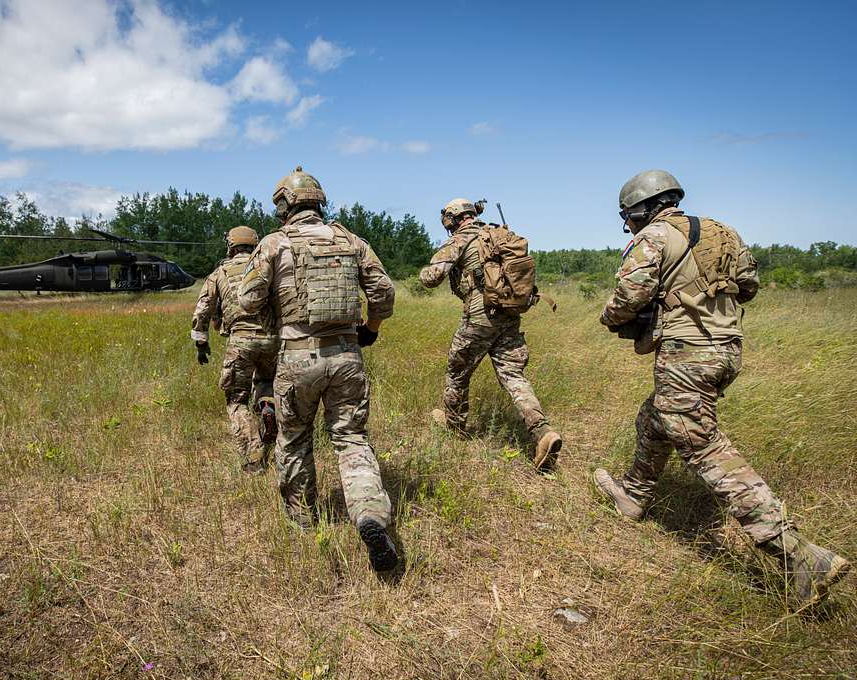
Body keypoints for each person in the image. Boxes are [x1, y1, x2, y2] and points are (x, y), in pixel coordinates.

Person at [594, 169, 850, 607]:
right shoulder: (723, 232)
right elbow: (748, 286)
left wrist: (612, 317)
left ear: (639, 210)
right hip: (727, 349)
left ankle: (800, 556)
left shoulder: (653, 237)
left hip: (688, 352)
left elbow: (627, 298)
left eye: (628, 218)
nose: (630, 226)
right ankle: (633, 495)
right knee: (656, 417)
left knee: (704, 447)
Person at [238, 166, 399, 572]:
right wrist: (370, 329)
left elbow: (247, 300)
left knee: (294, 440)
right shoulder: (351, 241)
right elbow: (384, 291)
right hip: (347, 355)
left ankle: (305, 524)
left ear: (283, 204)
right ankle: (369, 517)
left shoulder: (275, 245)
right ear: (319, 201)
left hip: (296, 358)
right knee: (351, 439)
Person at [418, 198, 562, 470]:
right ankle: (542, 432)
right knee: (513, 376)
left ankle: (455, 425)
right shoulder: (500, 234)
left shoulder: (461, 240)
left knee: (457, 371)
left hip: (480, 317)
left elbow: (431, 277)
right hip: (509, 315)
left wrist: (424, 270)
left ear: (452, 218)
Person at [191, 226, 278, 474]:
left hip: (240, 341)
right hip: (272, 339)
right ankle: (266, 405)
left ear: (230, 246)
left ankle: (254, 456)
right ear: (254, 244)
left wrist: (201, 342)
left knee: (236, 399)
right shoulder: (265, 268)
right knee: (267, 381)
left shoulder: (220, 273)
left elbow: (202, 310)